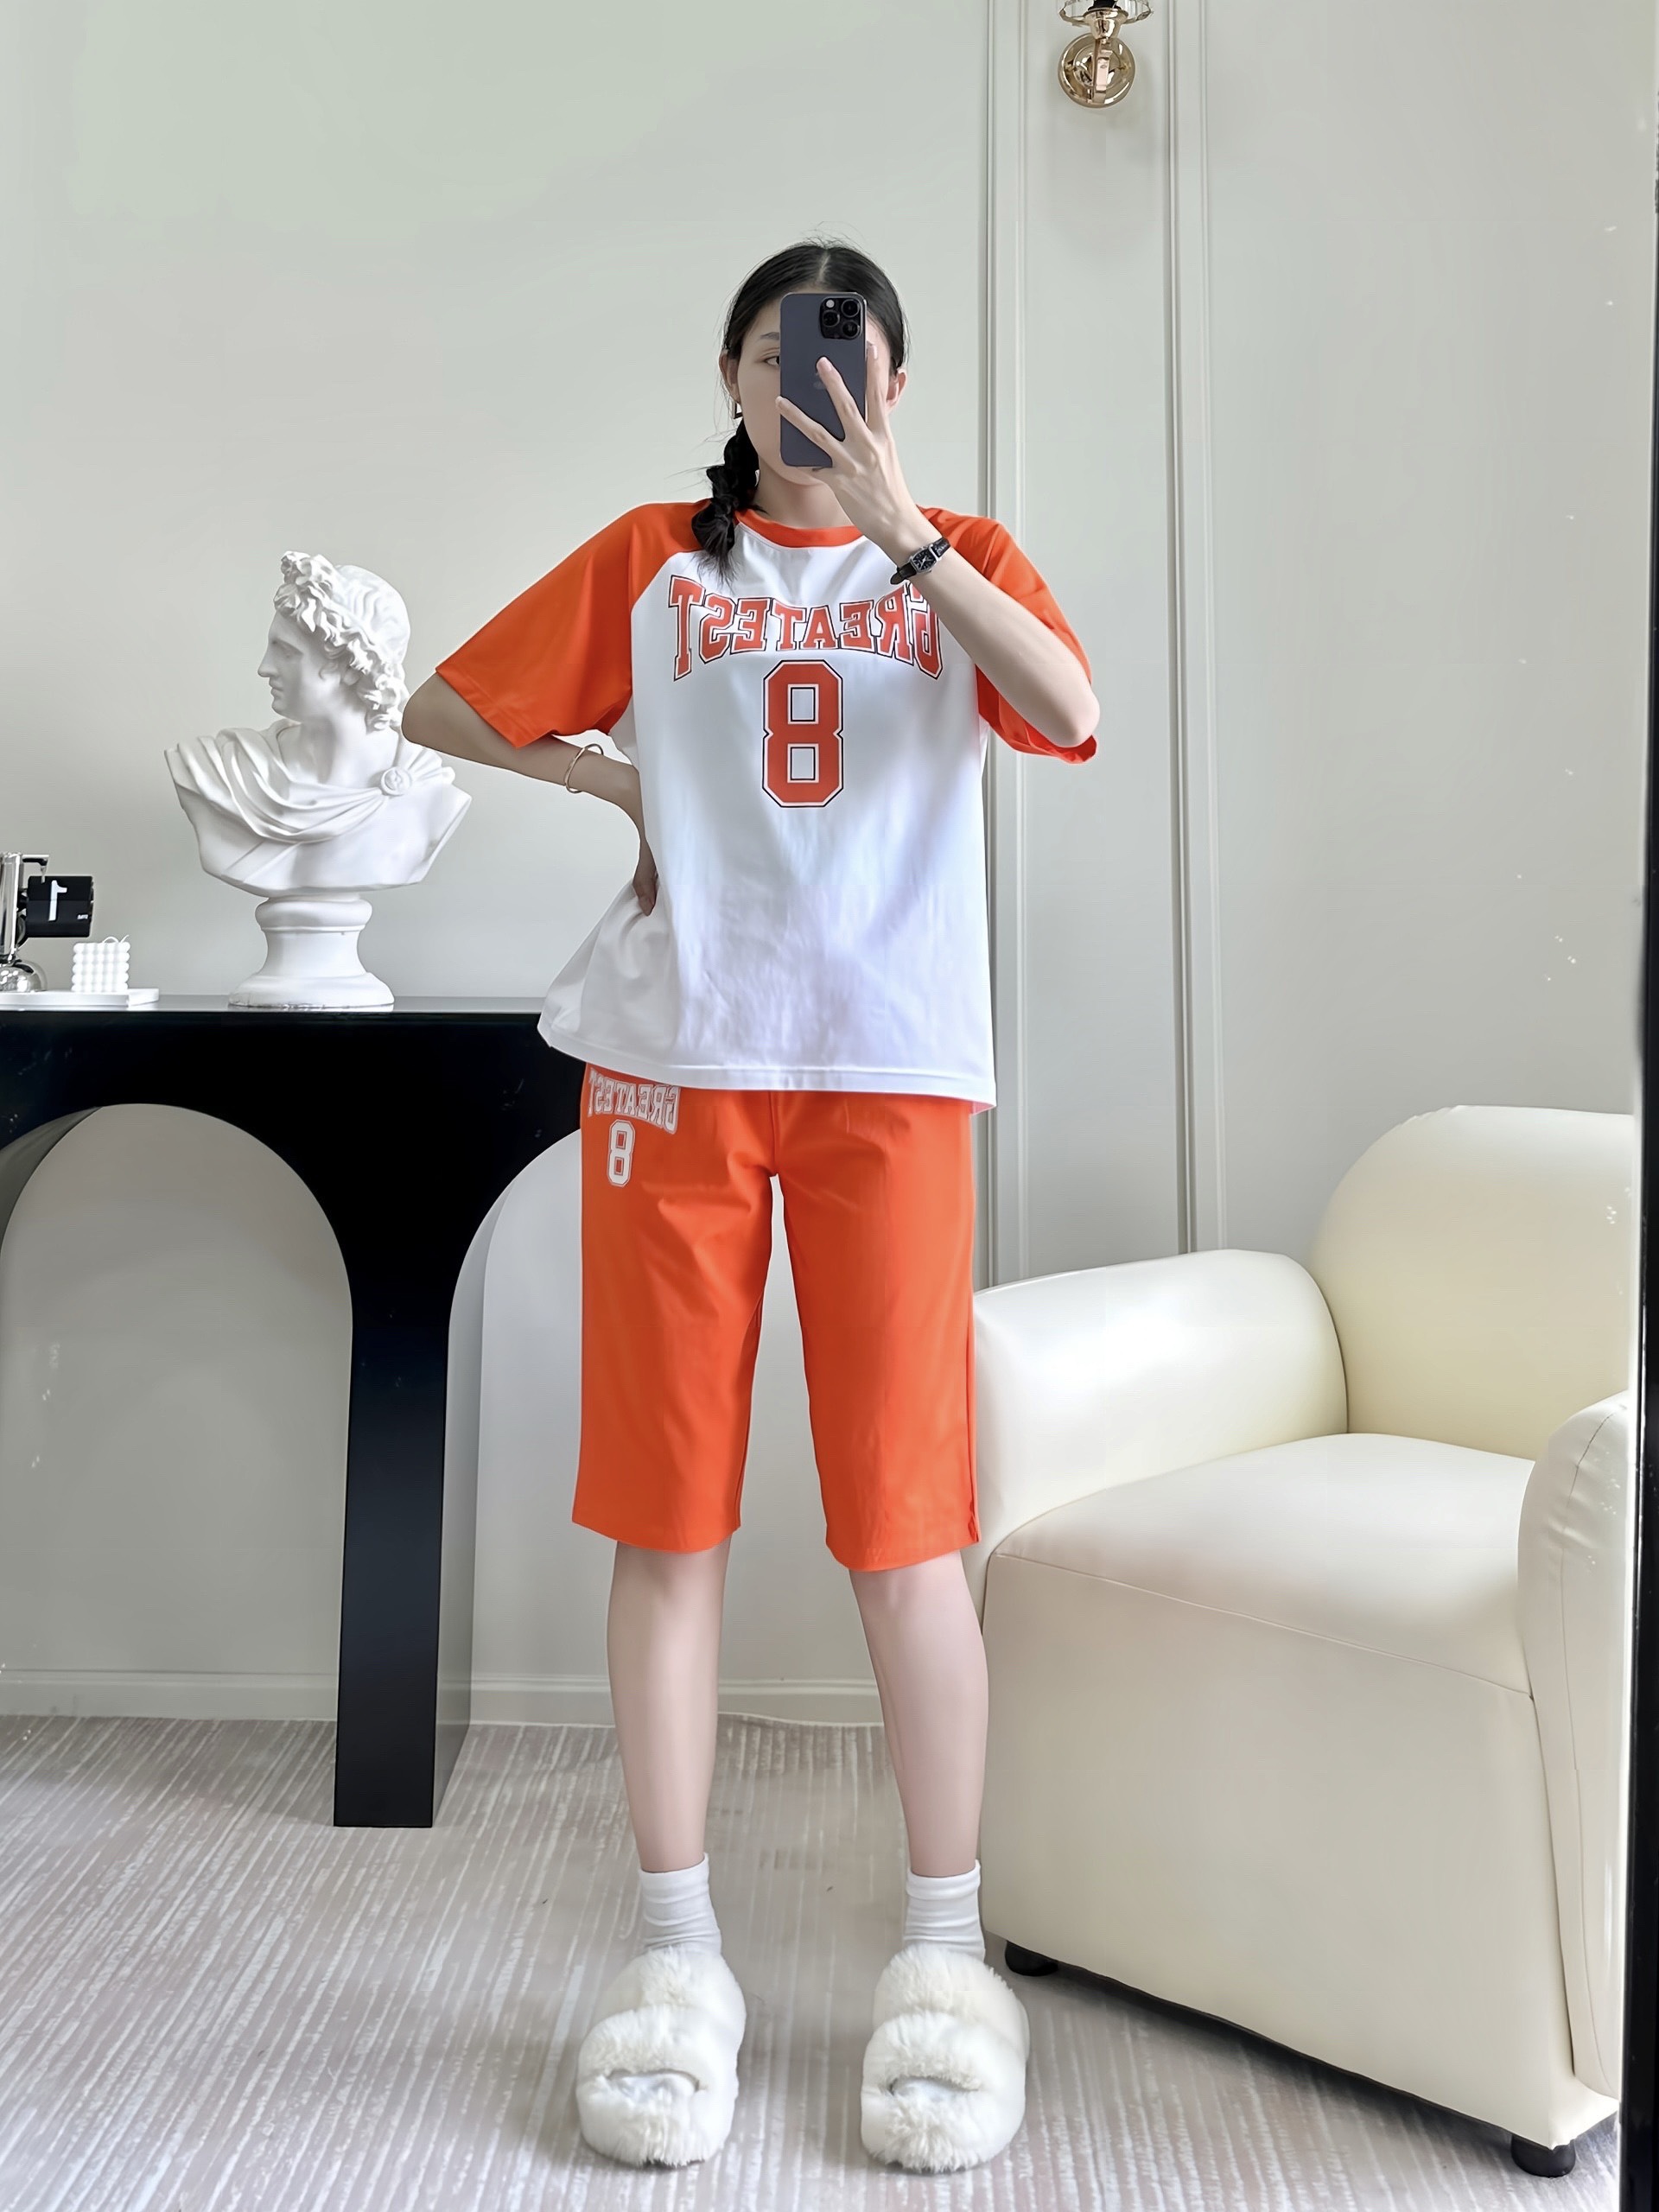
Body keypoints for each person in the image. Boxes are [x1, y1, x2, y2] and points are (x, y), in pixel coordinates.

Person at [403, 239, 1097, 2175]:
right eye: (786, 358)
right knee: (668, 1505)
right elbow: (447, 706)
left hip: (890, 1073)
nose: (817, 389)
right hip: (677, 1063)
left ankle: (944, 1949)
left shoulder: (955, 555)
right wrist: (628, 791)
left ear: (897, 389)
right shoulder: (655, 559)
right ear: (732, 375)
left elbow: (1068, 707)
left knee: (905, 1518)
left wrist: (903, 534)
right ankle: (672, 1946)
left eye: (852, 363)